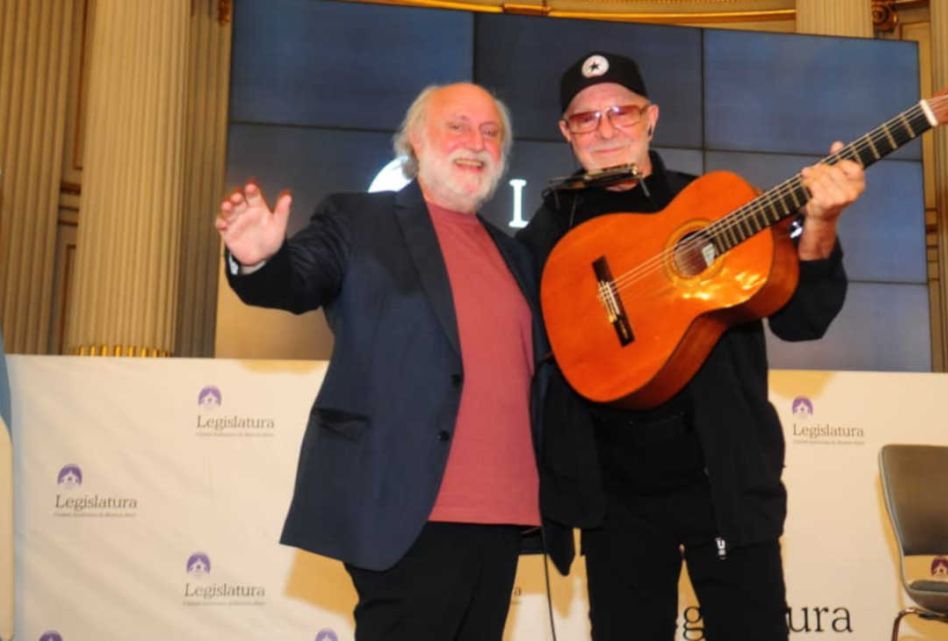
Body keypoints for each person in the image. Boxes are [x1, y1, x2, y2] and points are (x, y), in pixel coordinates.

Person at [517, 52, 866, 641]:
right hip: (614, 496)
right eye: (586, 119)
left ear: (651, 118)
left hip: (724, 478)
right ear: (565, 133)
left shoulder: (715, 205)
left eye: (621, 112)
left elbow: (803, 320)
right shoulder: (550, 229)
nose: (605, 129)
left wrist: (823, 223)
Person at [216, 82, 561, 641]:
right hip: (407, 513)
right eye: (457, 126)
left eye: (490, 131)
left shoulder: (514, 253)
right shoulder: (358, 220)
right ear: (416, 142)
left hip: (503, 517)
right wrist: (260, 263)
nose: (475, 142)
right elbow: (299, 278)